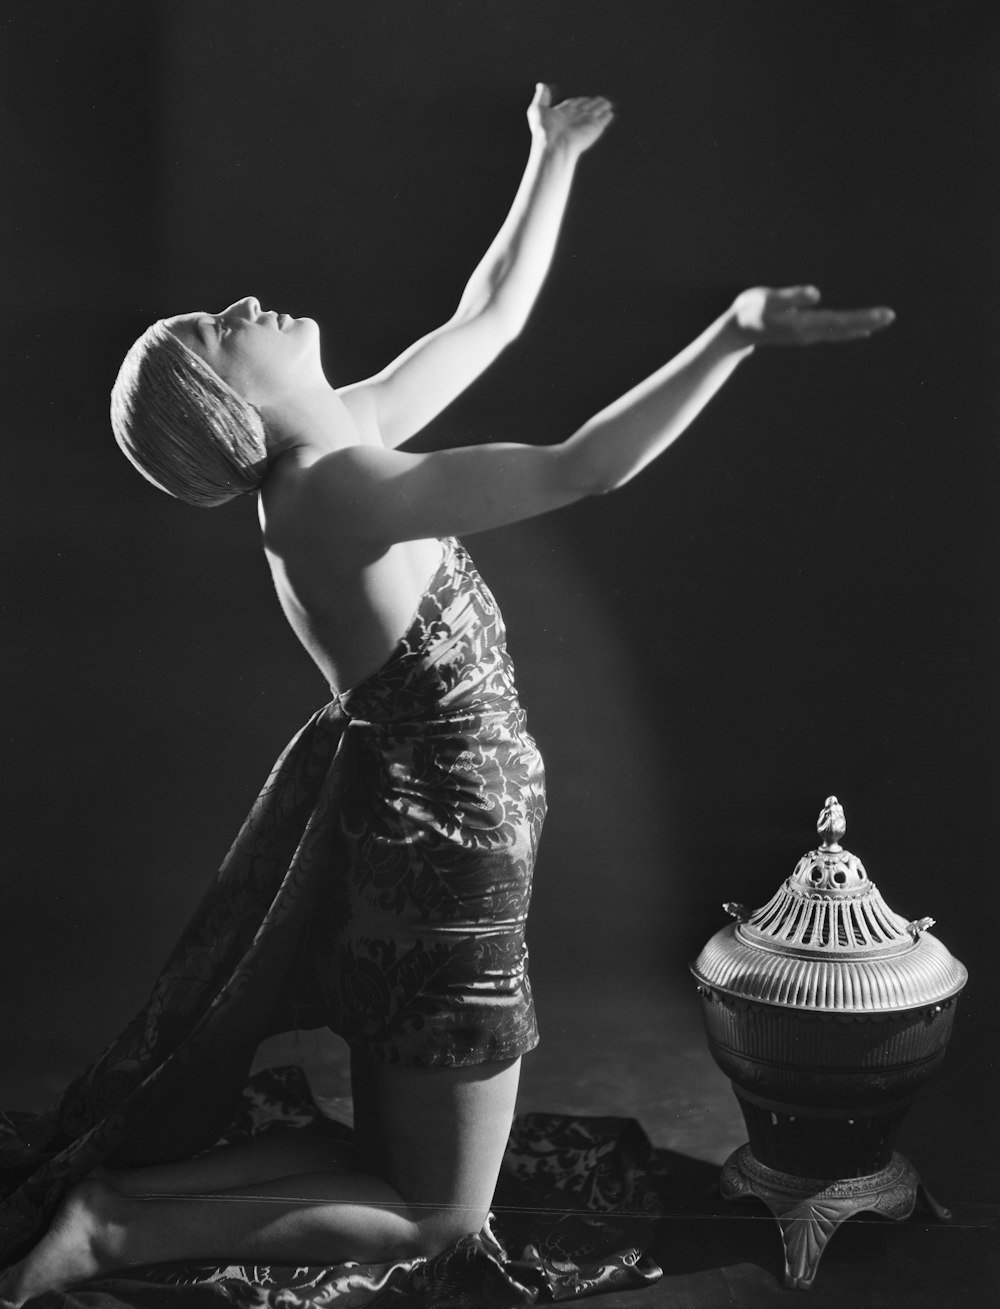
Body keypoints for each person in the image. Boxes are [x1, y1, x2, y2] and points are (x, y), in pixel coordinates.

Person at [0, 83, 893, 1307]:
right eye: (220, 326)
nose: (243, 301)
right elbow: (589, 466)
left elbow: (490, 317)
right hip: (442, 861)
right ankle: (107, 1229)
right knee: (440, 1212)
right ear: (233, 401)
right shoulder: (342, 491)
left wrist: (549, 156)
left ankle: (116, 1209)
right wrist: (729, 336)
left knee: (400, 1160)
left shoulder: (337, 450)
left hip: (421, 843)